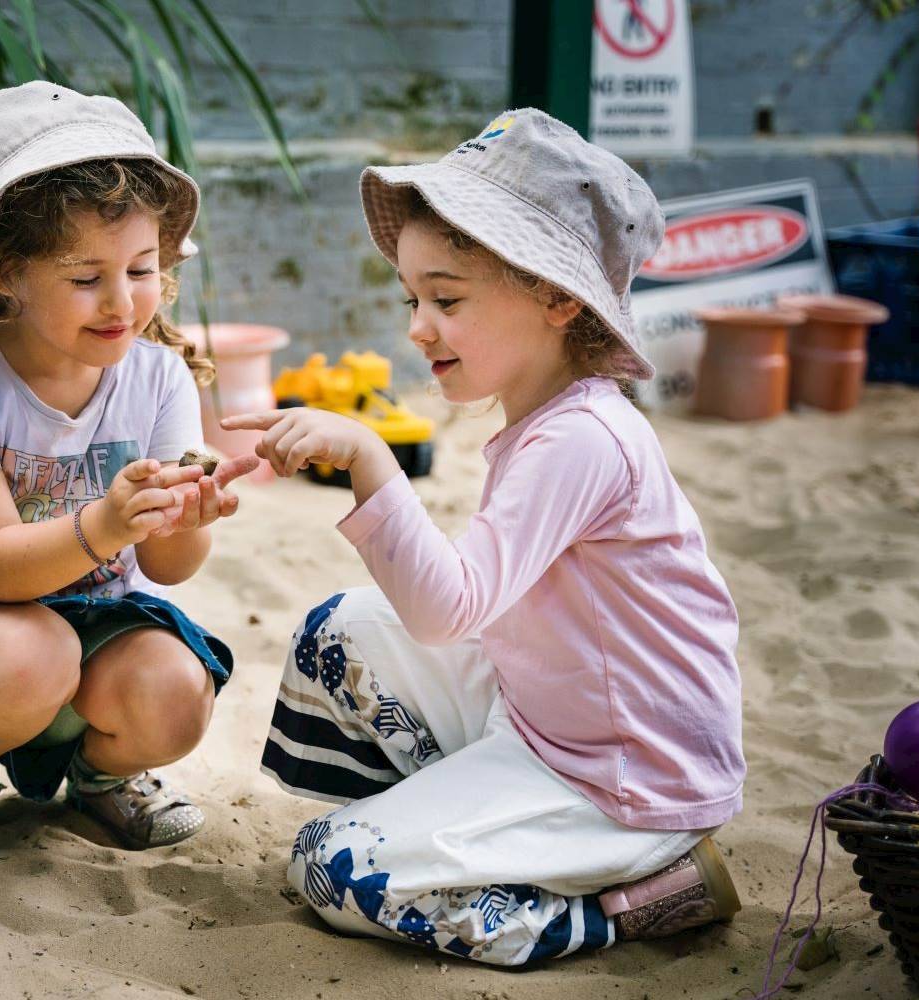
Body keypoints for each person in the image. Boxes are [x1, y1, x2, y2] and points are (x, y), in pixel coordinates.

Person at [224, 109, 746, 964]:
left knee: (331, 866)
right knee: (337, 634)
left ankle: (629, 900)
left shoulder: (583, 438)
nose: (417, 326)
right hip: (545, 714)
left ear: (556, 296)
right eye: (413, 297)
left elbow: (448, 609)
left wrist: (366, 456)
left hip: (623, 779)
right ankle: (451, 835)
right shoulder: (542, 419)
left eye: (447, 299)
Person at [0, 82, 256, 872]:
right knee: (31, 653)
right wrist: (107, 522)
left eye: (141, 269)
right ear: (3, 271)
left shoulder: (160, 378)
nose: (122, 302)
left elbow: (166, 570)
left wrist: (185, 520)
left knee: (178, 688)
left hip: (98, 617)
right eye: (84, 277)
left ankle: (101, 776)